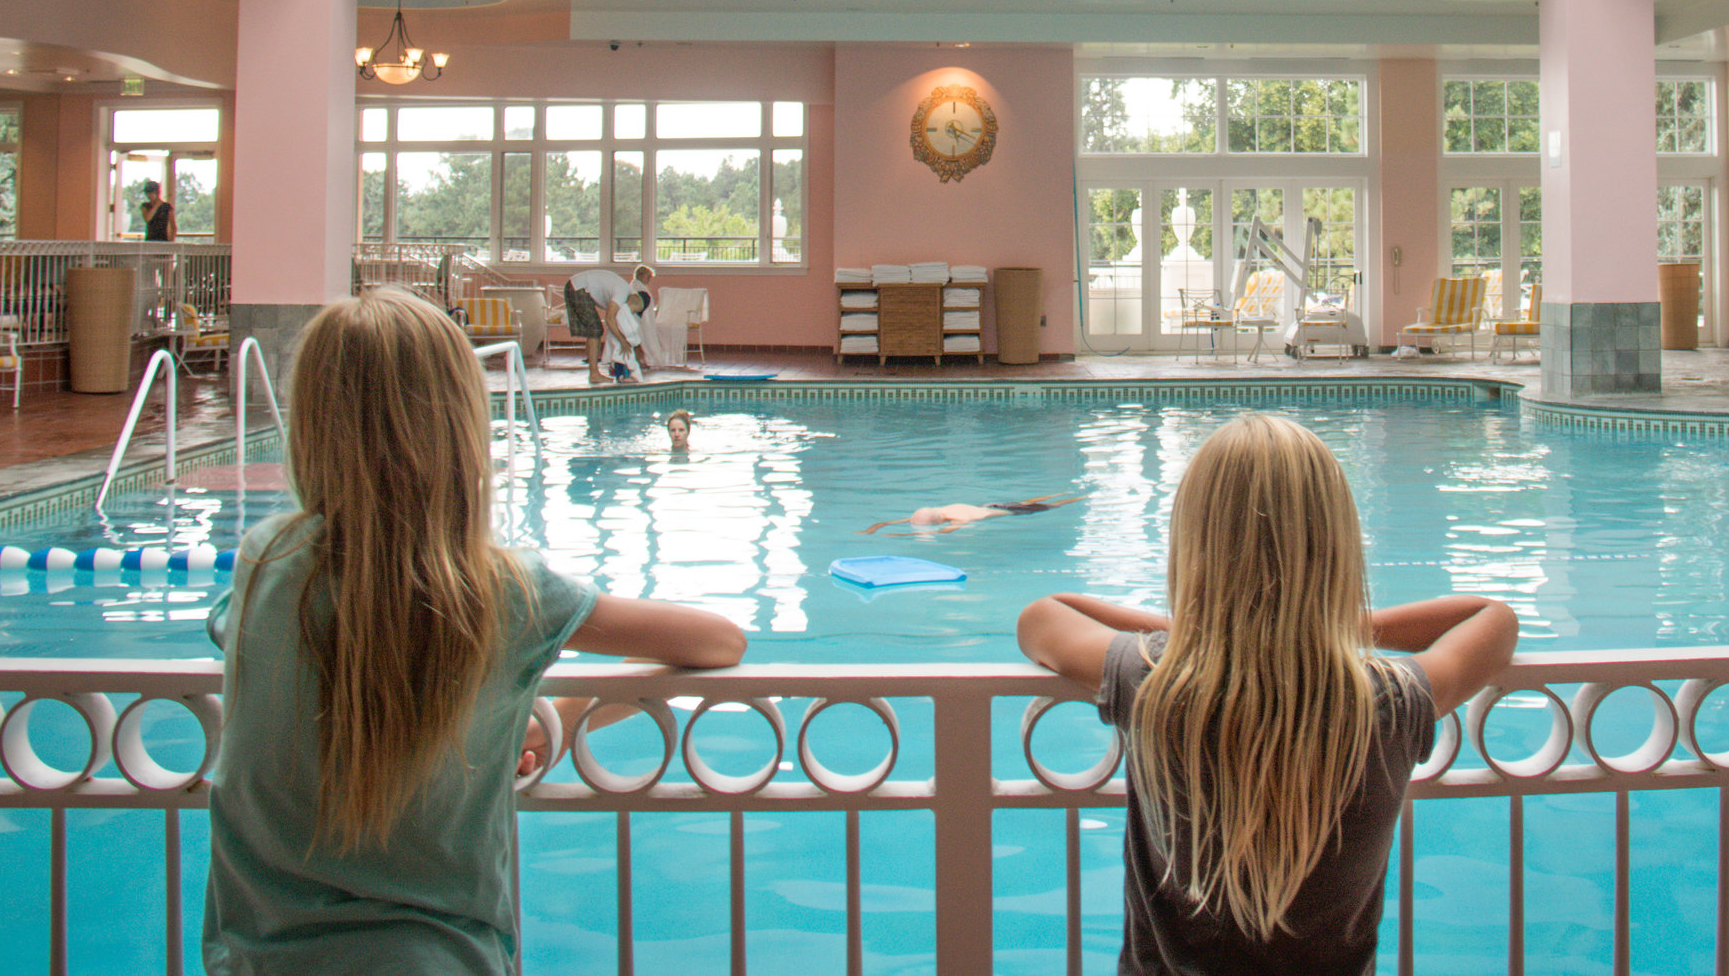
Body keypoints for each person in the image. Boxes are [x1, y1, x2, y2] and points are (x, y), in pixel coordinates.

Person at [204, 288, 744, 975]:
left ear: (310, 423)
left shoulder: (265, 563)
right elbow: (718, 640)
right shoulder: (502, 590)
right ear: (459, 425)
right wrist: (557, 718)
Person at [1016, 413, 1518, 976]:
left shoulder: (1154, 679)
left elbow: (1043, 617)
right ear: (1337, 543)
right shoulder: (1389, 703)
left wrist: (1206, 631)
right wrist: (1319, 624)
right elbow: (1491, 618)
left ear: (1193, 542)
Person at [564, 263, 654, 384]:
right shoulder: (622, 293)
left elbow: (616, 323)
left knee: (594, 331)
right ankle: (594, 374)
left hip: (578, 286)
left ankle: (595, 371)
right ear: (634, 300)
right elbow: (609, 319)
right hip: (578, 287)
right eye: (634, 308)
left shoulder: (627, 297)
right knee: (595, 330)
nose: (631, 311)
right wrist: (623, 341)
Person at [860, 492, 1085, 536]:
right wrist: (874, 528)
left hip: (1010, 513)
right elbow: (892, 521)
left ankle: (1075, 497)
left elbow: (946, 532)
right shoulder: (941, 511)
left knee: (1054, 506)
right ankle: (1062, 493)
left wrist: (904, 536)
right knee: (1027, 501)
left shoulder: (959, 519)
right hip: (994, 505)